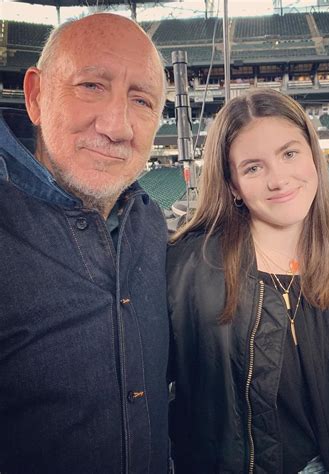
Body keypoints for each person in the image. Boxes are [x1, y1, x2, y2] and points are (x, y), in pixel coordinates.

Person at [167, 89, 329, 473]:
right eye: (253, 167)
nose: (279, 179)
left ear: (313, 157)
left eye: (289, 153)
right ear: (232, 184)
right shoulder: (189, 269)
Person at [0, 14, 169, 473]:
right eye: (91, 85)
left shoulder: (151, 223)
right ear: (35, 96)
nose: (117, 126)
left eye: (141, 100)